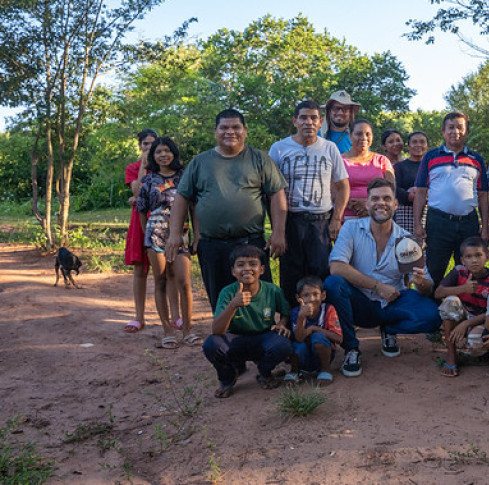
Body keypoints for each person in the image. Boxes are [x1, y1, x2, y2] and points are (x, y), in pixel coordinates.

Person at [165, 109, 288, 311]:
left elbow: (276, 195)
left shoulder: (259, 159)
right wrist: (174, 234)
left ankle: (260, 331)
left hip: (251, 243)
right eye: (224, 127)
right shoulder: (200, 162)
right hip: (212, 245)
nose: (230, 132)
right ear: (215, 131)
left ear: (245, 130)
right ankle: (225, 331)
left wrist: (279, 232)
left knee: (259, 301)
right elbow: (182, 198)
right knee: (220, 300)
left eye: (235, 127)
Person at [324, 178, 441, 377]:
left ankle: (389, 329)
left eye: (387, 198)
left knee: (432, 316)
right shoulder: (351, 228)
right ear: (367, 203)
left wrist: (421, 283)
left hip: (392, 302)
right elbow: (336, 267)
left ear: (395, 204)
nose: (381, 203)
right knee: (333, 283)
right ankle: (351, 348)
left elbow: (427, 286)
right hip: (360, 303)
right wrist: (378, 286)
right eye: (375, 198)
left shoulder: (406, 240)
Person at [268, 100, 350, 306]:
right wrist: (277, 230)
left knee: (320, 273)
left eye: (313, 118)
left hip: (321, 222)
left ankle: (321, 320)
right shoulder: (279, 149)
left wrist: (336, 219)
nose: (308, 122)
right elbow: (270, 191)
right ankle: (292, 319)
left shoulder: (329, 148)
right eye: (303, 117)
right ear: (295, 121)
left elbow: (343, 187)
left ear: (320, 121)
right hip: (291, 220)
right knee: (290, 274)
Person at [202, 245, 293, 398]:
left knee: (283, 344)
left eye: (253, 264)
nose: (247, 269)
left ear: (262, 269)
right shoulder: (227, 292)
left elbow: (285, 312)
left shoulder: (272, 290)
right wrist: (233, 305)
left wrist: (281, 324)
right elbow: (217, 330)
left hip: (263, 337)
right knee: (211, 344)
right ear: (233, 271)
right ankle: (227, 378)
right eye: (240, 264)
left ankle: (264, 372)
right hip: (235, 340)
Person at [413, 111, 489, 285]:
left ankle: (463, 302)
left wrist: (485, 227)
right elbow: (421, 191)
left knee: (468, 269)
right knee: (435, 268)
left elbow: (483, 195)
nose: (455, 131)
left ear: (467, 132)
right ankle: (432, 301)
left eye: (460, 127)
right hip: (438, 221)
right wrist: (417, 224)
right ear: (443, 131)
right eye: (451, 127)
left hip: (468, 222)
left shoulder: (476, 159)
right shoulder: (431, 156)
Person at [137, 137, 196, 349]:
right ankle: (167, 331)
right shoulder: (148, 181)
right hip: (156, 234)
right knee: (161, 280)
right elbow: (141, 210)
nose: (163, 155)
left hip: (181, 234)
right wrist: (147, 236)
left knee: (184, 281)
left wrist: (197, 235)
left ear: (174, 153)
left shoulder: (185, 178)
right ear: (153, 156)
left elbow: (193, 209)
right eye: (158, 152)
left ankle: (188, 330)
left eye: (167, 150)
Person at [434, 236, 489, 377]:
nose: (474, 260)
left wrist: (467, 324)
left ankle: (481, 353)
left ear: (487, 255)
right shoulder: (459, 271)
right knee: (450, 302)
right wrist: (463, 289)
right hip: (463, 314)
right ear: (462, 260)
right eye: (469, 257)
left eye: (478, 255)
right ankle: (451, 355)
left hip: (481, 320)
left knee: (475, 341)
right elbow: (438, 293)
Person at [123, 129, 157, 333]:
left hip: (161, 220)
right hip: (139, 221)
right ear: (140, 146)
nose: (149, 147)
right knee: (140, 269)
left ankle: (173, 316)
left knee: (167, 270)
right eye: (145, 144)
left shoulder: (164, 166)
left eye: (153, 143)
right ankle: (139, 316)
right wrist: (144, 165)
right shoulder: (133, 168)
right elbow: (138, 191)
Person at [285, 276, 342, 386]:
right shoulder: (296, 312)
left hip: (323, 355)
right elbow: (299, 338)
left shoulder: (328, 310)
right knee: (294, 344)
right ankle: (295, 371)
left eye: (315, 294)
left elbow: (339, 338)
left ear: (323, 295)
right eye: (306, 295)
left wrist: (314, 329)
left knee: (318, 337)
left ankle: (325, 370)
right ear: (298, 298)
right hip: (303, 356)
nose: (311, 299)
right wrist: (301, 317)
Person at [342, 119, 396, 219]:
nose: (364, 138)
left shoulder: (382, 161)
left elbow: (391, 190)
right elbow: (333, 191)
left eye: (368, 134)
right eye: (358, 134)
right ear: (350, 136)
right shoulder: (339, 161)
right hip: (346, 216)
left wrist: (369, 204)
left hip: (377, 216)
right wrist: (354, 205)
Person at [393, 131, 429, 233]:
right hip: (405, 213)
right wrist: (409, 195)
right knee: (406, 242)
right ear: (408, 146)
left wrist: (427, 194)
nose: (418, 145)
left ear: (427, 146)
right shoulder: (399, 166)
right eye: (414, 142)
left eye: (422, 142)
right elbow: (395, 189)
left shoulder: (432, 166)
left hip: (429, 212)